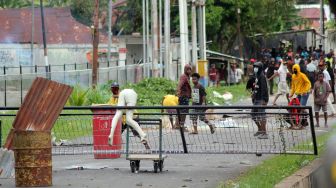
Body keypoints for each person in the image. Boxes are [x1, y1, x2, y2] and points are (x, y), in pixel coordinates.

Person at [246, 61, 269, 139]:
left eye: (257, 67)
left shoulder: (262, 76)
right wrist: (253, 93)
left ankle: (264, 133)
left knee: (262, 115)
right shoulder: (257, 76)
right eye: (254, 66)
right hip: (256, 98)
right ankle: (260, 129)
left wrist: (264, 100)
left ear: (260, 68)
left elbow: (264, 89)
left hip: (261, 99)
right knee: (253, 114)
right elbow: (256, 87)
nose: (255, 68)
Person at [177, 64, 192, 131]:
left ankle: (178, 125)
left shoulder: (187, 77)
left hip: (185, 96)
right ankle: (181, 126)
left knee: (182, 111)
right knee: (183, 112)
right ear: (185, 70)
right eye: (188, 69)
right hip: (183, 97)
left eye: (190, 69)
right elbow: (180, 84)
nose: (189, 71)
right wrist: (178, 91)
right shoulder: (184, 77)